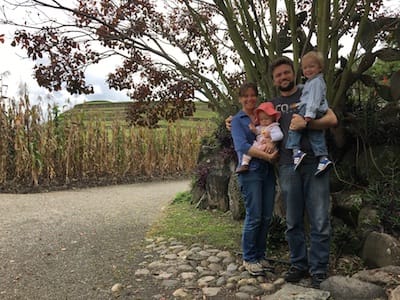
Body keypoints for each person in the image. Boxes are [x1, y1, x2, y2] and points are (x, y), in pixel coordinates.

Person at [226, 57, 337, 289]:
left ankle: (318, 269)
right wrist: (231, 121)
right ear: (274, 80)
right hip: (287, 165)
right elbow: (249, 118)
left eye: (286, 73)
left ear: (294, 73)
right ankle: (298, 264)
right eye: (278, 75)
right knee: (293, 219)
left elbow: (332, 118)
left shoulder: (310, 91)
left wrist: (307, 124)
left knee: (319, 219)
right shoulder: (272, 105)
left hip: (315, 162)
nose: (283, 77)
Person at [231, 82, 278, 276]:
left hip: (267, 172)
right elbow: (242, 146)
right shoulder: (237, 120)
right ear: (240, 99)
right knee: (254, 215)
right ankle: (249, 258)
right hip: (250, 172)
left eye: (253, 95)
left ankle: (260, 255)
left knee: (266, 216)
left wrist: (273, 147)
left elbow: (274, 133)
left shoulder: (262, 116)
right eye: (245, 96)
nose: (250, 99)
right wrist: (267, 156)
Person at [285, 51, 332, 175]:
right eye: (305, 67)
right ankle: (323, 158)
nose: (308, 70)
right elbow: (307, 94)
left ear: (320, 67)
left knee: (294, 125)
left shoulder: (316, 82)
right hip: (315, 109)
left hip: (311, 110)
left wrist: (309, 114)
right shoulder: (311, 82)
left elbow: (313, 100)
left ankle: (296, 151)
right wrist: (299, 103)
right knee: (315, 134)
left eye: (312, 66)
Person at [236, 102, 283, 173]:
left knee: (263, 149)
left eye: (266, 119)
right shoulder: (261, 127)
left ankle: (269, 159)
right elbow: (258, 132)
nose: (264, 121)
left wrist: (270, 136)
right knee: (251, 149)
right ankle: (245, 164)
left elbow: (279, 135)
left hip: (268, 146)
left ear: (273, 117)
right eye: (261, 119)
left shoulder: (274, 127)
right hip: (259, 144)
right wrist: (254, 130)